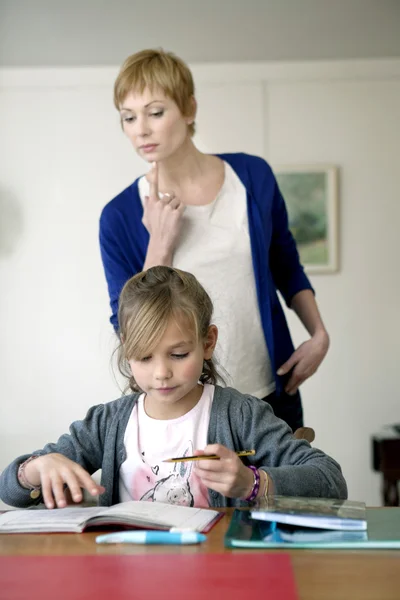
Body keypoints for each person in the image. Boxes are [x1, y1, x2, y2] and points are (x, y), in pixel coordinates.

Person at [99, 49, 330, 434]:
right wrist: (160, 244)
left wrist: (319, 335)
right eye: (128, 117)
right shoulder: (119, 216)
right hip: (182, 407)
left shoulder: (252, 176)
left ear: (189, 109)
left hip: (269, 393)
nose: (141, 129)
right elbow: (128, 326)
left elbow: (285, 264)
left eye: (155, 112)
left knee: (283, 494)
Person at [0, 266, 346, 510]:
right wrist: (34, 470)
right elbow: (10, 492)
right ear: (126, 348)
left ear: (208, 342)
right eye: (144, 356)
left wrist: (254, 484)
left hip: (217, 576)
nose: (162, 373)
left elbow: (330, 481)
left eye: (178, 354)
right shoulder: (107, 423)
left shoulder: (241, 415)